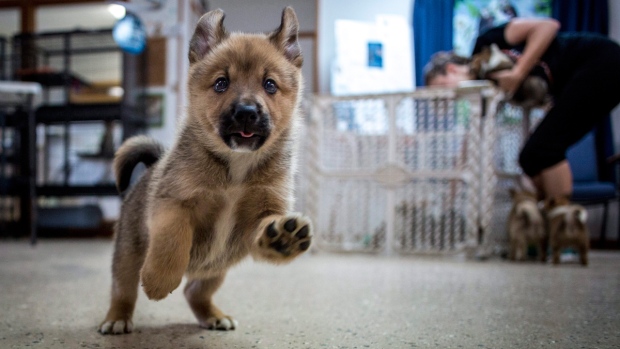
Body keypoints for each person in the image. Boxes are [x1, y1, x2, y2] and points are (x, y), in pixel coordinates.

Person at [424, 18, 620, 204]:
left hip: (599, 60)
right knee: (530, 158)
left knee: (544, 150)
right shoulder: (485, 92)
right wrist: (451, 190)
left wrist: (517, 74)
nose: (451, 96)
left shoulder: (487, 43)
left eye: (443, 88)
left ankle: (563, 230)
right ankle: (547, 221)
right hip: (579, 80)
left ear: (451, 69)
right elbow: (471, 138)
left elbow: (548, 26)